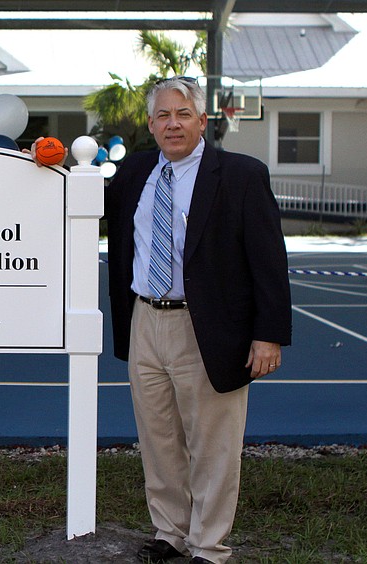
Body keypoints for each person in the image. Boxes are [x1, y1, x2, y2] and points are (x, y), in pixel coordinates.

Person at [104, 77, 292, 563]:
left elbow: (268, 258)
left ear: (202, 121)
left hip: (206, 328)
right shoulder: (133, 173)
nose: (172, 124)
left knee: (213, 445)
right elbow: (76, 205)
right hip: (144, 323)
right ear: (150, 124)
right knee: (158, 438)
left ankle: (208, 546)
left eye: (182, 114)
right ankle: (170, 533)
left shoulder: (241, 175)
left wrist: (268, 334)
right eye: (163, 116)